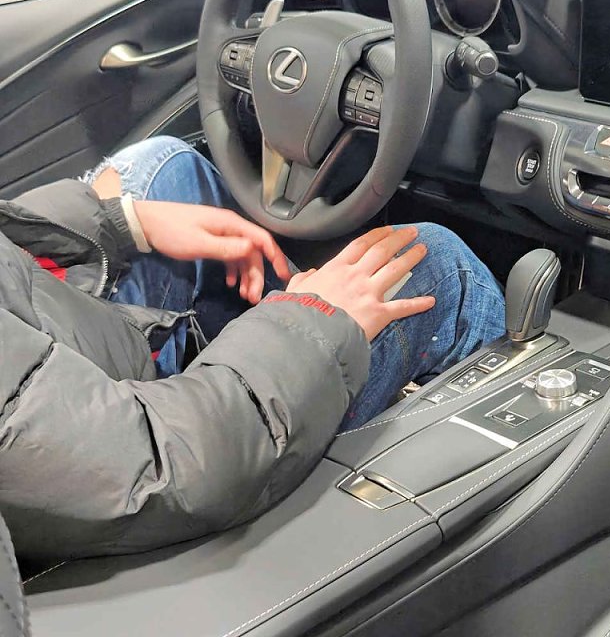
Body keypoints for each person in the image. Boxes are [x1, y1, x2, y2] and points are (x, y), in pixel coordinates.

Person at [0, 136, 506, 562]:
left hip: (72, 354)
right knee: (438, 266)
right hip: (152, 466)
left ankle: (297, 358)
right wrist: (313, 320)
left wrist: (122, 221)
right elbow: (155, 468)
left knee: (165, 167)